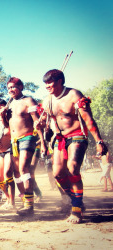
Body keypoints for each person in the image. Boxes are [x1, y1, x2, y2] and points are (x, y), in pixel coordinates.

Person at [38, 69, 108, 224]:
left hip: (77, 135)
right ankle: (75, 200)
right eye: (45, 83)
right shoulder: (47, 100)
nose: (47, 86)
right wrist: (42, 125)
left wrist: (99, 141)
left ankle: (76, 210)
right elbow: (48, 122)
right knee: (57, 174)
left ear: (60, 81)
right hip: (60, 138)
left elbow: (88, 119)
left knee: (73, 168)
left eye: (50, 82)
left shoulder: (74, 95)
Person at [1, 77, 46, 216]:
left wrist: (43, 142)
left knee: (23, 168)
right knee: (16, 173)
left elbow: (37, 121)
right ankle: (27, 202)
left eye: (13, 87)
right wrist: (2, 116)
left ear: (20, 87)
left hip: (27, 137)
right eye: (8, 88)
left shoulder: (28, 101)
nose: (11, 90)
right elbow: (7, 126)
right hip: (14, 141)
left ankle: (29, 206)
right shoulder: (8, 105)